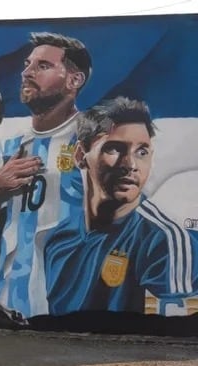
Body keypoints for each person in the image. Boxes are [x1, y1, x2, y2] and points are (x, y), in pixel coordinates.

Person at [44, 97, 198, 315]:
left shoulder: (162, 241)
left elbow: (170, 341)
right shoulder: (58, 241)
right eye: (115, 149)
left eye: (142, 152)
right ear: (80, 156)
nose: (131, 165)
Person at [0, 32, 92, 318]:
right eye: (27, 64)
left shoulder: (95, 140)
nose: (26, 72)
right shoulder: (10, 145)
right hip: (7, 303)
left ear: (74, 80)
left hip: (71, 310)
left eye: (42, 66)